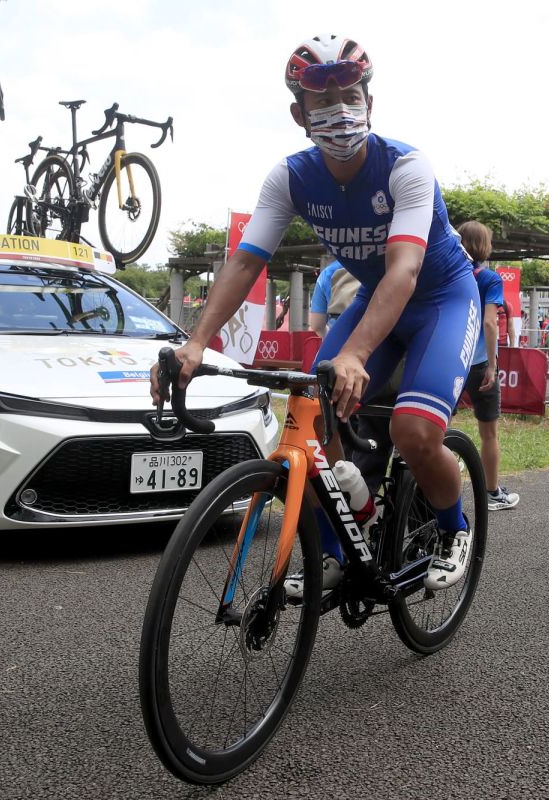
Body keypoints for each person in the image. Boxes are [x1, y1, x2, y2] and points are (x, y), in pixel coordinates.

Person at [151, 35, 481, 592]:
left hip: (441, 301)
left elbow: (403, 271)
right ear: (298, 113)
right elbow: (243, 263)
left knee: (413, 432)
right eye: (322, 102)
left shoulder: (406, 167)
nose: (339, 112)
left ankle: (454, 529)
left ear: (370, 103)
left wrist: (354, 352)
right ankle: (339, 542)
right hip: (379, 304)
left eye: (350, 95)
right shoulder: (290, 178)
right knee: (310, 413)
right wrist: (196, 342)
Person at [457, 220, 520, 511]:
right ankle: (492, 493)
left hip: (448, 363)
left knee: (437, 429)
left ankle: (428, 490)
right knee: (488, 432)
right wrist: (493, 366)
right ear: (484, 246)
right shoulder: (490, 279)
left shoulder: (449, 273)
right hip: (480, 362)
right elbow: (490, 322)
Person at [308, 259, 360, 337]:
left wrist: (331, 337)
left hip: (340, 339)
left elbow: (317, 325)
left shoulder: (327, 273)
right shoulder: (380, 267)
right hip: (375, 341)